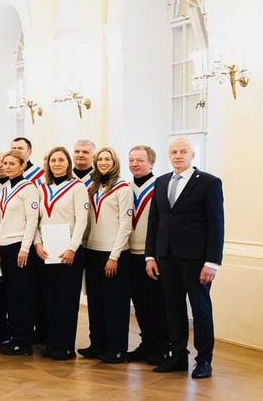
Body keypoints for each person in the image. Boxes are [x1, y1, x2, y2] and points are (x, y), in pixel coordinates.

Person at [145, 138, 223, 379]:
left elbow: (216, 225)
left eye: (183, 151)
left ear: (192, 154)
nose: (178, 156)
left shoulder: (209, 182)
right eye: (173, 152)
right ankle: (178, 355)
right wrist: (150, 255)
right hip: (166, 257)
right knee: (173, 309)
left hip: (196, 260)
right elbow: (155, 221)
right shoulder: (161, 182)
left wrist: (212, 262)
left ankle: (204, 360)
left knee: (200, 310)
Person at [32, 146, 89, 360]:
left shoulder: (77, 186)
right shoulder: (41, 187)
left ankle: (64, 347)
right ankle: (51, 343)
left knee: (66, 300)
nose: (56, 163)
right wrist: (37, 243)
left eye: (61, 160)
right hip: (46, 252)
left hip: (69, 252)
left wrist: (72, 247)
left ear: (68, 163)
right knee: (49, 299)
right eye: (53, 160)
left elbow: (82, 219)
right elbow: (35, 219)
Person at [80, 147, 133, 363]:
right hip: (93, 251)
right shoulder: (92, 187)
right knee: (96, 302)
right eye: (100, 159)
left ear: (114, 162)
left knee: (115, 304)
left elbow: (125, 225)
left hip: (114, 254)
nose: (103, 162)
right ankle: (97, 345)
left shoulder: (123, 188)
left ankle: (116, 349)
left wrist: (114, 256)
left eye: (107, 159)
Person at [0, 150, 41, 356]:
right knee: (11, 295)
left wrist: (25, 248)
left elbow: (32, 220)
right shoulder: (5, 188)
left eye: (12, 163)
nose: (7, 166)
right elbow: (2, 221)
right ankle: (14, 336)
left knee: (22, 295)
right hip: (5, 246)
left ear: (22, 166)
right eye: (5, 163)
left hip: (19, 246)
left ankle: (24, 342)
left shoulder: (28, 188)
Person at [124, 145, 167, 365]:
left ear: (151, 163)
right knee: (139, 303)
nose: (135, 164)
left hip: (152, 256)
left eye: (140, 160)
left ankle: (161, 347)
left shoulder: (161, 186)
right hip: (129, 253)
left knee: (156, 304)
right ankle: (147, 343)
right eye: (131, 160)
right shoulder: (125, 187)